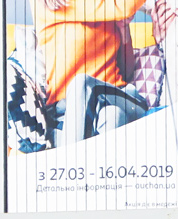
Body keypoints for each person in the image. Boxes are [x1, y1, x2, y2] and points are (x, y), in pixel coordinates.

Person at [31, 0, 151, 146]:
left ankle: (69, 167)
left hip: (123, 99)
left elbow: (126, 72)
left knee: (82, 84)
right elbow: (126, 6)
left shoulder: (105, 7)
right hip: (66, 111)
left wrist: (123, 30)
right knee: (113, 115)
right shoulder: (48, 3)